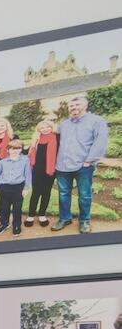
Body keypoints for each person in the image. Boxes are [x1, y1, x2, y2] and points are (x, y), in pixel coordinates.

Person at [52, 94, 109, 233]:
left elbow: (101, 141)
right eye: (71, 106)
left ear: (85, 106)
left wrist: (89, 160)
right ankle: (65, 218)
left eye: (77, 105)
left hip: (83, 166)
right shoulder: (64, 124)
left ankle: (84, 221)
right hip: (62, 166)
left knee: (84, 195)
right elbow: (53, 139)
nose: (74, 108)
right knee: (63, 194)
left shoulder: (96, 121)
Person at [0, 139, 32, 234]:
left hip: (18, 187)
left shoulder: (25, 160)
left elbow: (28, 174)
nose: (15, 151)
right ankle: (4, 224)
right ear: (8, 150)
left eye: (18, 148)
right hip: (5, 187)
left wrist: (26, 188)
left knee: (17, 208)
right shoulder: (3, 162)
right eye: (12, 148)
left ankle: (17, 225)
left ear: (21, 149)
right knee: (4, 207)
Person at [30, 113, 63, 225]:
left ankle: (42, 215)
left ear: (52, 127)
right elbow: (30, 152)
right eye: (42, 128)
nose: (45, 129)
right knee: (35, 192)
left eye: (47, 127)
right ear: (39, 129)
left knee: (46, 192)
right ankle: (30, 215)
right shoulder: (36, 139)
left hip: (50, 170)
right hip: (37, 169)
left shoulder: (57, 137)